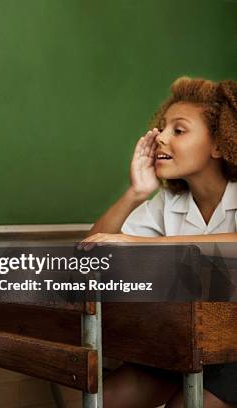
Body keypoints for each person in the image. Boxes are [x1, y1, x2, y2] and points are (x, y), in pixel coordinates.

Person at [82, 77, 237, 407]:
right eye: (162, 128)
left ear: (220, 144)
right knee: (104, 400)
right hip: (183, 341)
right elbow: (91, 252)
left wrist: (141, 245)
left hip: (234, 352)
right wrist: (135, 193)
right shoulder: (168, 203)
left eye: (178, 130)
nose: (160, 138)